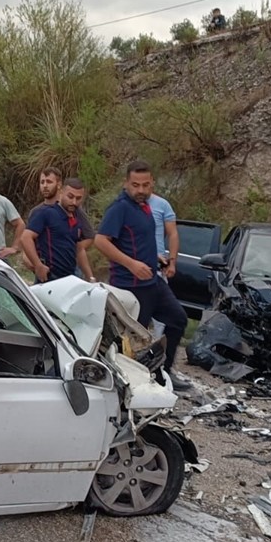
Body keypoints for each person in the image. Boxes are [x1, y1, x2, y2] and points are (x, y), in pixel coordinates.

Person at [93, 161, 192, 389]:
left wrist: (155, 258)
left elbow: (137, 241)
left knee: (178, 319)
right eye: (135, 185)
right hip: (131, 284)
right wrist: (131, 264)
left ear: (152, 184)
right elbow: (101, 241)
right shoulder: (120, 208)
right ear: (126, 183)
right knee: (132, 338)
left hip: (153, 281)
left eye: (145, 185)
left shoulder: (145, 207)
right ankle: (126, 383)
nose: (141, 190)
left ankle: (164, 374)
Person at [26, 166, 95, 278]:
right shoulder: (39, 212)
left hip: (71, 271)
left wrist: (90, 277)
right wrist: (36, 263)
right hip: (49, 272)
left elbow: (88, 237)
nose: (45, 186)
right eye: (42, 182)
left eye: (49, 182)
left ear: (59, 185)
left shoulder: (74, 210)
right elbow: (26, 238)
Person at [150, 191, 179, 278]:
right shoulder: (126, 205)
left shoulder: (162, 204)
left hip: (158, 267)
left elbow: (173, 234)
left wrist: (172, 263)